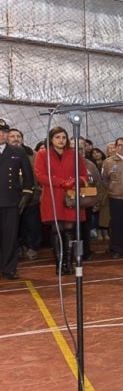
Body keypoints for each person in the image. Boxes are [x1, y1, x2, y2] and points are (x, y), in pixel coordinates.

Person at [34, 126, 87, 275]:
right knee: (57, 230)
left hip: (70, 196)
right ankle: (59, 264)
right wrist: (62, 183)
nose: (61, 140)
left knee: (70, 229)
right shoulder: (43, 154)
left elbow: (84, 175)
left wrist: (76, 181)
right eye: (57, 137)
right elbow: (40, 175)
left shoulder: (75, 154)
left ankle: (68, 263)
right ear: (51, 139)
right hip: (52, 196)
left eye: (63, 137)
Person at [0, 119, 34, 279]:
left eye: (4, 132)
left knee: (10, 237)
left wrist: (26, 195)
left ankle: (9, 268)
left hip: (10, 201)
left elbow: (28, 176)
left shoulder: (17, 152)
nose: (1, 134)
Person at [8, 127, 42, 261]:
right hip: (10, 198)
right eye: (12, 136)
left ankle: (32, 248)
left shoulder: (33, 154)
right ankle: (14, 249)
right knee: (12, 226)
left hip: (32, 197)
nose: (16, 139)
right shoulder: (4, 154)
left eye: (18, 136)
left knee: (32, 225)